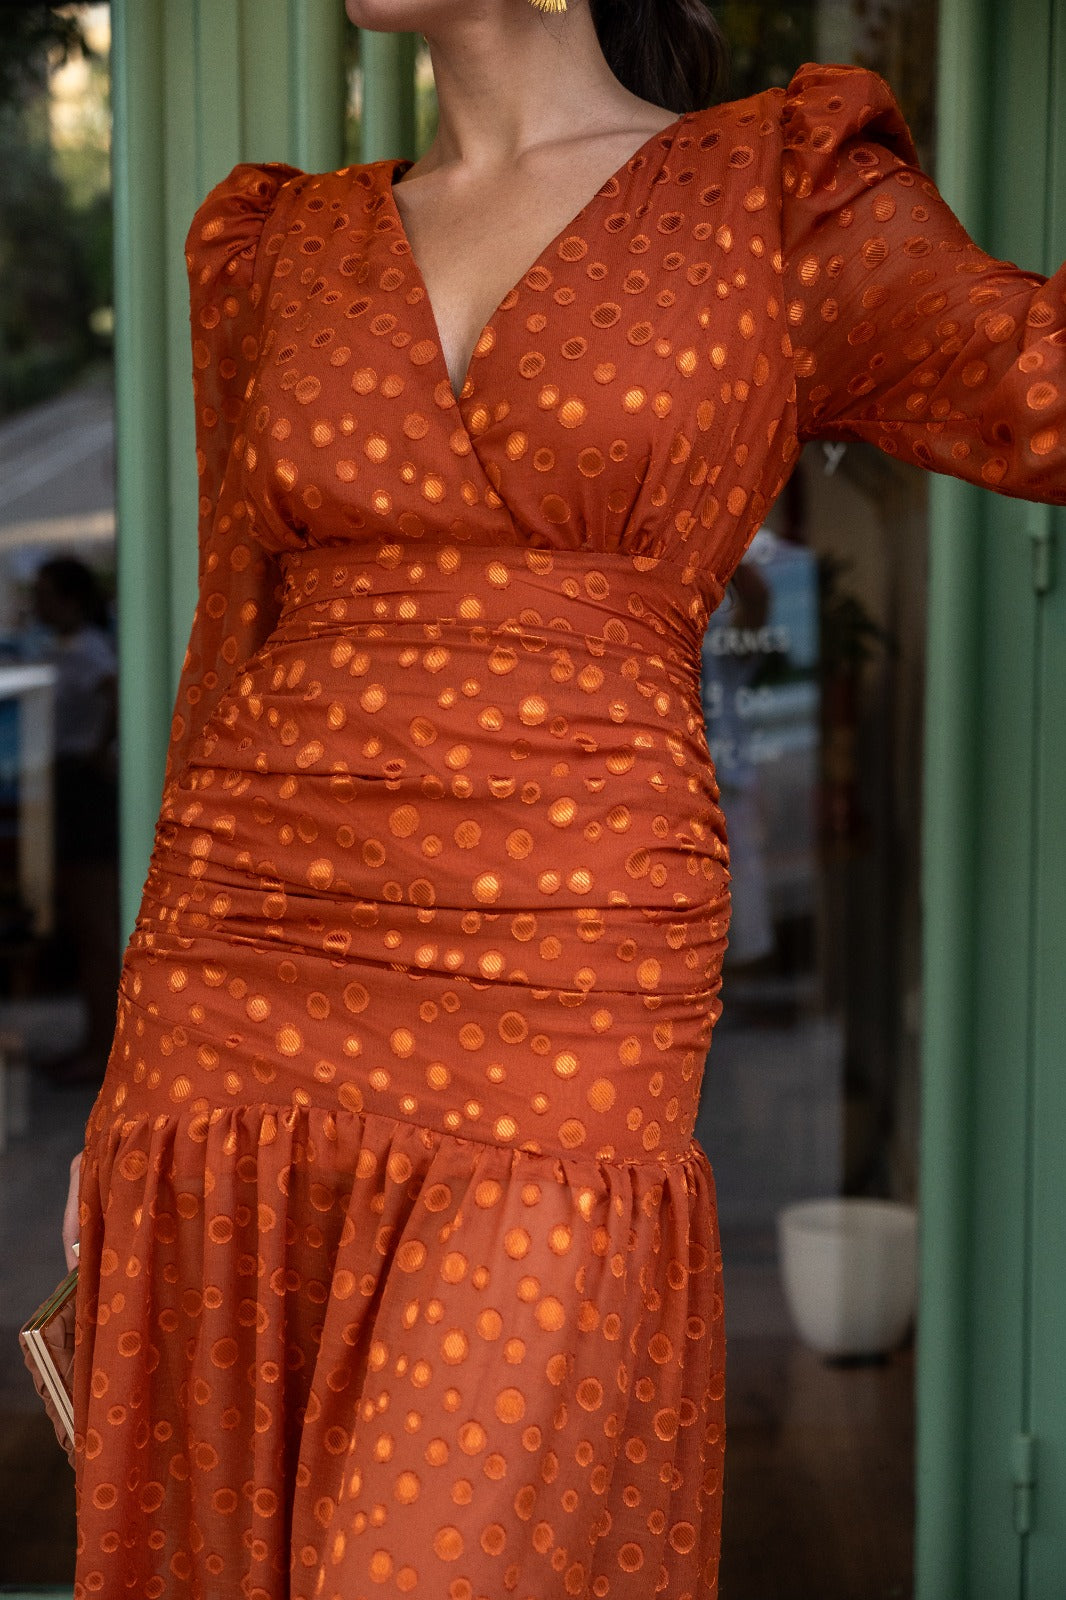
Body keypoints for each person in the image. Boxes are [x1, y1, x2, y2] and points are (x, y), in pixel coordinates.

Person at [61, 1, 1065, 1595]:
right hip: (240, 985)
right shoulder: (275, 247)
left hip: (562, 988)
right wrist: (134, 1069)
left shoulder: (774, 199)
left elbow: (1038, 382)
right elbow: (231, 637)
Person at [31, 556, 120, 1086]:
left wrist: (98, 749)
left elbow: (115, 691)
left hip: (84, 788)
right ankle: (93, 1040)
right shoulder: (62, 649)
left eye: (46, 592)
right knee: (84, 927)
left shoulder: (88, 650)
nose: (37, 603)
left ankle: (105, 1048)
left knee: (95, 926)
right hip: (67, 784)